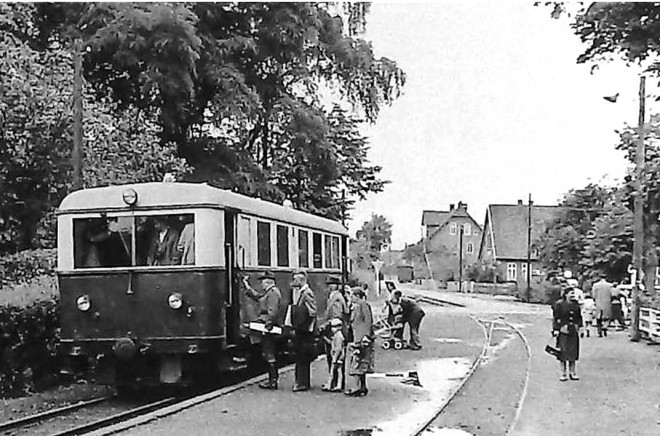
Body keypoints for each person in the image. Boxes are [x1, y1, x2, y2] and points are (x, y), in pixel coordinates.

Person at [241, 271, 282, 389]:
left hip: (267, 327)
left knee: (269, 353)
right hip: (265, 325)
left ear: (268, 282)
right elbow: (258, 297)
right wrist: (246, 285)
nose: (262, 285)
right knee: (267, 352)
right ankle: (272, 380)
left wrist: (267, 326)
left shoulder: (273, 293)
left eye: (263, 282)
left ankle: (273, 382)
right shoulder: (269, 293)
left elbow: (272, 311)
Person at [287, 269, 317, 392]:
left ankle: (302, 383)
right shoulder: (300, 292)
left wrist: (303, 325)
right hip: (302, 330)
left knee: (302, 357)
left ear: (302, 280)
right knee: (300, 357)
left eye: (296, 279)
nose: (293, 281)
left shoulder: (306, 293)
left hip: (304, 332)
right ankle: (302, 382)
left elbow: (312, 311)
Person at [346, 287, 374, 397]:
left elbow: (368, 320)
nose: (351, 297)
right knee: (360, 363)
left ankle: (356, 388)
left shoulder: (363, 305)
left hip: (362, 338)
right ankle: (362, 387)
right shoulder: (356, 306)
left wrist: (366, 336)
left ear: (357, 296)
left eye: (352, 295)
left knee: (357, 362)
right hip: (357, 337)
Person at [552, 287, 583, 381]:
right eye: (571, 293)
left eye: (573, 293)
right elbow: (556, 317)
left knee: (573, 352)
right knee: (563, 352)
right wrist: (556, 329)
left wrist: (580, 328)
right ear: (565, 294)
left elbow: (579, 317)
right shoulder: (560, 304)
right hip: (563, 331)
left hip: (573, 330)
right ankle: (563, 373)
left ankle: (572, 372)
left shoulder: (576, 305)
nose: (573, 295)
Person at [322, 275, 349, 373]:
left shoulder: (336, 298)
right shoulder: (334, 296)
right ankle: (334, 382)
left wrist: (326, 324)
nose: (329, 287)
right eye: (329, 284)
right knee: (335, 357)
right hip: (334, 330)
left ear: (337, 286)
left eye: (332, 284)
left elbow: (337, 316)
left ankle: (335, 382)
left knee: (335, 357)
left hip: (336, 331)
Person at [322, 318, 345, 392]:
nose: (332, 329)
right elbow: (332, 343)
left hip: (337, 356)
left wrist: (335, 358)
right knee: (339, 371)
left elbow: (338, 348)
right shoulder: (338, 335)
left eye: (334, 327)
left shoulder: (339, 336)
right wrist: (326, 339)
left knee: (332, 371)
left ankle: (329, 385)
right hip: (340, 356)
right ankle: (339, 385)